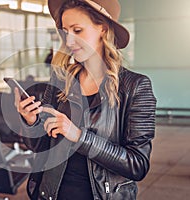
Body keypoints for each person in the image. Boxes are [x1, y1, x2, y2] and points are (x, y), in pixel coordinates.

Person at [13, 0, 157, 200]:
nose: (69, 41)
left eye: (77, 30)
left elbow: (137, 165)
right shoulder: (60, 80)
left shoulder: (135, 87)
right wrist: (30, 122)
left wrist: (79, 136)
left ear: (103, 29)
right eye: (65, 31)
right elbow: (40, 147)